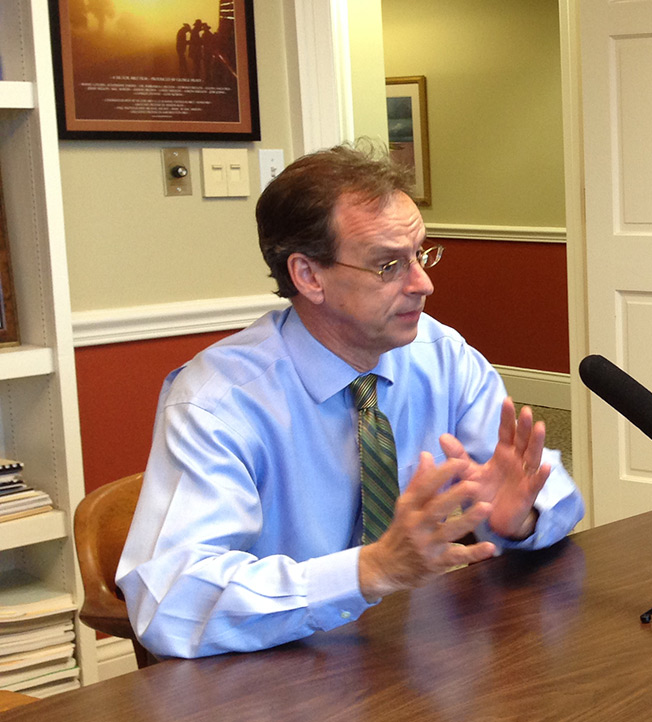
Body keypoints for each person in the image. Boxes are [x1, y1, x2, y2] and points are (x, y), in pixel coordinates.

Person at [117, 145, 585, 658]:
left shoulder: (443, 356)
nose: (423, 284)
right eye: (389, 265)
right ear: (308, 277)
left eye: (421, 254)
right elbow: (169, 604)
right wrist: (371, 570)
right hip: (279, 682)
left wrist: (515, 519)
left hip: (425, 661)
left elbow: (543, 493)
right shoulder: (217, 403)